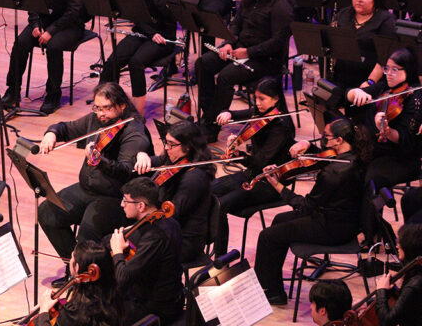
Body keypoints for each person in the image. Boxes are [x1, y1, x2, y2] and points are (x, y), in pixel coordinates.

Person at [37, 82, 151, 287]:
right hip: (86, 189)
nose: (101, 114)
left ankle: (89, 279)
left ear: (122, 106)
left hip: (114, 198)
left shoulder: (133, 131)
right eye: (97, 108)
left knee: (87, 232)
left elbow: (125, 170)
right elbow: (66, 128)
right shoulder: (94, 121)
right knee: (47, 212)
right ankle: (75, 267)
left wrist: (101, 162)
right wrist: (52, 132)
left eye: (106, 108)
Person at [254, 117, 369, 305]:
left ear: (339, 140)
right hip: (347, 219)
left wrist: (278, 186)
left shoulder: (333, 173)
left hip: (332, 227)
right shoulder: (357, 156)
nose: (323, 140)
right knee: (279, 220)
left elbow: (306, 206)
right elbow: (326, 157)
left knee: (267, 235)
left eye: (326, 137)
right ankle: (272, 286)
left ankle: (272, 292)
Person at [196, 0, 294, 140]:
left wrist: (248, 52)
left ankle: (212, 127)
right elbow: (236, 24)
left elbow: (278, 42)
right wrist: (228, 43)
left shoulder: (281, 4)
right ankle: (208, 115)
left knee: (225, 77)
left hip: (264, 58)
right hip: (240, 48)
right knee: (203, 63)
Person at [1, 0, 86, 115]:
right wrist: (35, 24)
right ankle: (13, 90)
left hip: (70, 25)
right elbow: (32, 2)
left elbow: (73, 12)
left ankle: (53, 94)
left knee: (53, 46)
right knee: (21, 43)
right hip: (44, 21)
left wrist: (51, 31)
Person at [212, 77, 295, 256]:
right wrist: (229, 114)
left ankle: (220, 258)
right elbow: (246, 112)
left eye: (262, 99)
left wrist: (239, 154)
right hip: (251, 174)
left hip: (269, 183)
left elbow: (261, 162)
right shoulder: (261, 113)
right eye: (256, 98)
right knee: (208, 190)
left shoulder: (281, 126)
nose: (257, 103)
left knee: (219, 205)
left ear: (276, 99)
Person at [347, 48, 422, 244]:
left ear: (408, 71)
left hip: (403, 157)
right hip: (378, 151)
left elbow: (406, 138)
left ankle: (371, 234)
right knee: (351, 168)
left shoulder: (416, 99)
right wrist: (355, 92)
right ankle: (358, 225)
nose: (389, 74)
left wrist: (387, 131)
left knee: (372, 178)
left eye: (395, 70)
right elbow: (349, 95)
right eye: (387, 69)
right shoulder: (383, 88)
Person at [99, 0, 180, 115]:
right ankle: (108, 106)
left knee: (136, 62)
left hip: (165, 35)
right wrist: (151, 33)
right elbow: (134, 13)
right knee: (112, 62)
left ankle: (138, 113)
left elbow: (169, 15)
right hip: (145, 31)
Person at [134, 120, 215, 262]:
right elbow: (156, 160)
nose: (166, 148)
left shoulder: (195, 177)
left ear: (188, 146)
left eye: (171, 144)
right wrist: (142, 155)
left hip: (183, 240)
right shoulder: (175, 159)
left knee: (130, 250)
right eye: (166, 142)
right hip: (165, 229)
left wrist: (143, 216)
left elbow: (173, 215)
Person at [107, 177, 183, 324]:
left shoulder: (154, 236)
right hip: (172, 295)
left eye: (125, 200)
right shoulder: (170, 222)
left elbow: (123, 277)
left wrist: (117, 251)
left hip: (156, 308)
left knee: (101, 313)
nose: (122, 204)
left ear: (141, 206)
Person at [34, 240, 122, 326]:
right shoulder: (117, 294)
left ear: (77, 267)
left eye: (72, 257)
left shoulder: (75, 313)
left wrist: (43, 311)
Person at [331, 0, 396, 91]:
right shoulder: (344, 14)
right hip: (341, 75)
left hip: (368, 78)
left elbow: (385, 56)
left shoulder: (385, 20)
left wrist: (370, 82)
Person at [375, 223, 422, 325]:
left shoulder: (415, 284)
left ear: (409, 247)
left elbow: (387, 321)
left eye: (400, 242)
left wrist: (380, 291)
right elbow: (409, 303)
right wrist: (392, 291)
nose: (397, 245)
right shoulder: (415, 271)